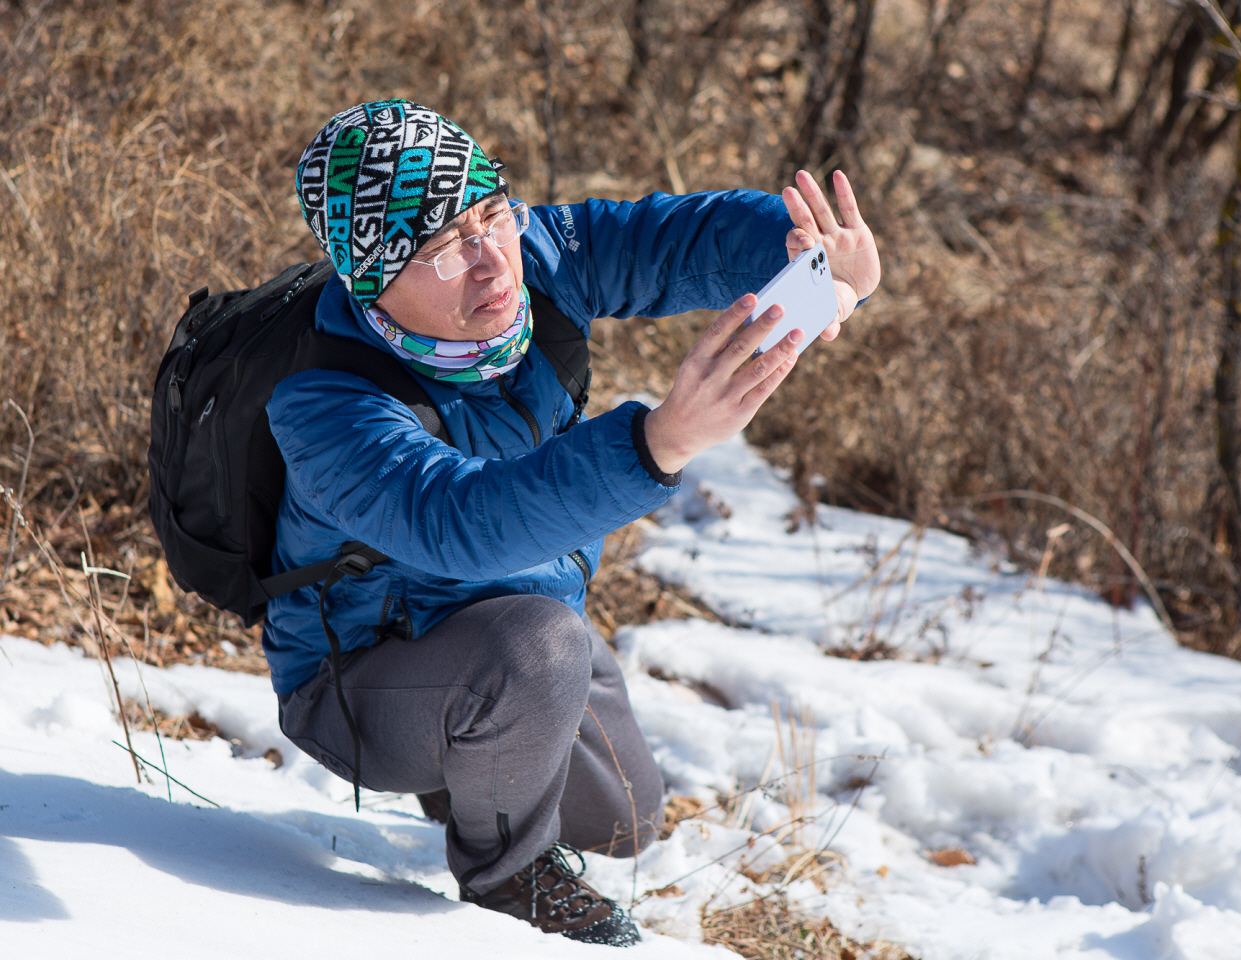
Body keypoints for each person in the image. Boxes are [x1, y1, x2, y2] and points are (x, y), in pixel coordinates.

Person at [268, 99, 879, 945]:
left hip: (513, 628)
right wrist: (658, 443)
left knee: (628, 816)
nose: (490, 261)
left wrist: (801, 254)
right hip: (358, 680)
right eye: (444, 249)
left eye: (490, 215)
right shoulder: (324, 405)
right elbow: (461, 525)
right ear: (371, 279)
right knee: (540, 647)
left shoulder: (535, 258)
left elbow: (675, 242)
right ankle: (505, 881)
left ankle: (478, 760)